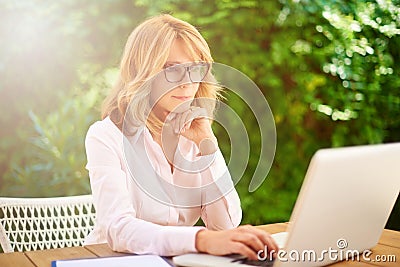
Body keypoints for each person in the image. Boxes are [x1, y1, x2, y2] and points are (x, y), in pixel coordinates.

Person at [84, 14, 278, 260]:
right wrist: (200, 239)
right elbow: (118, 229)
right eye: (172, 69)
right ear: (142, 72)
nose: (188, 83)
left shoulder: (193, 131)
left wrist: (208, 146)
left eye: (195, 69)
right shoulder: (105, 136)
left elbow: (226, 226)